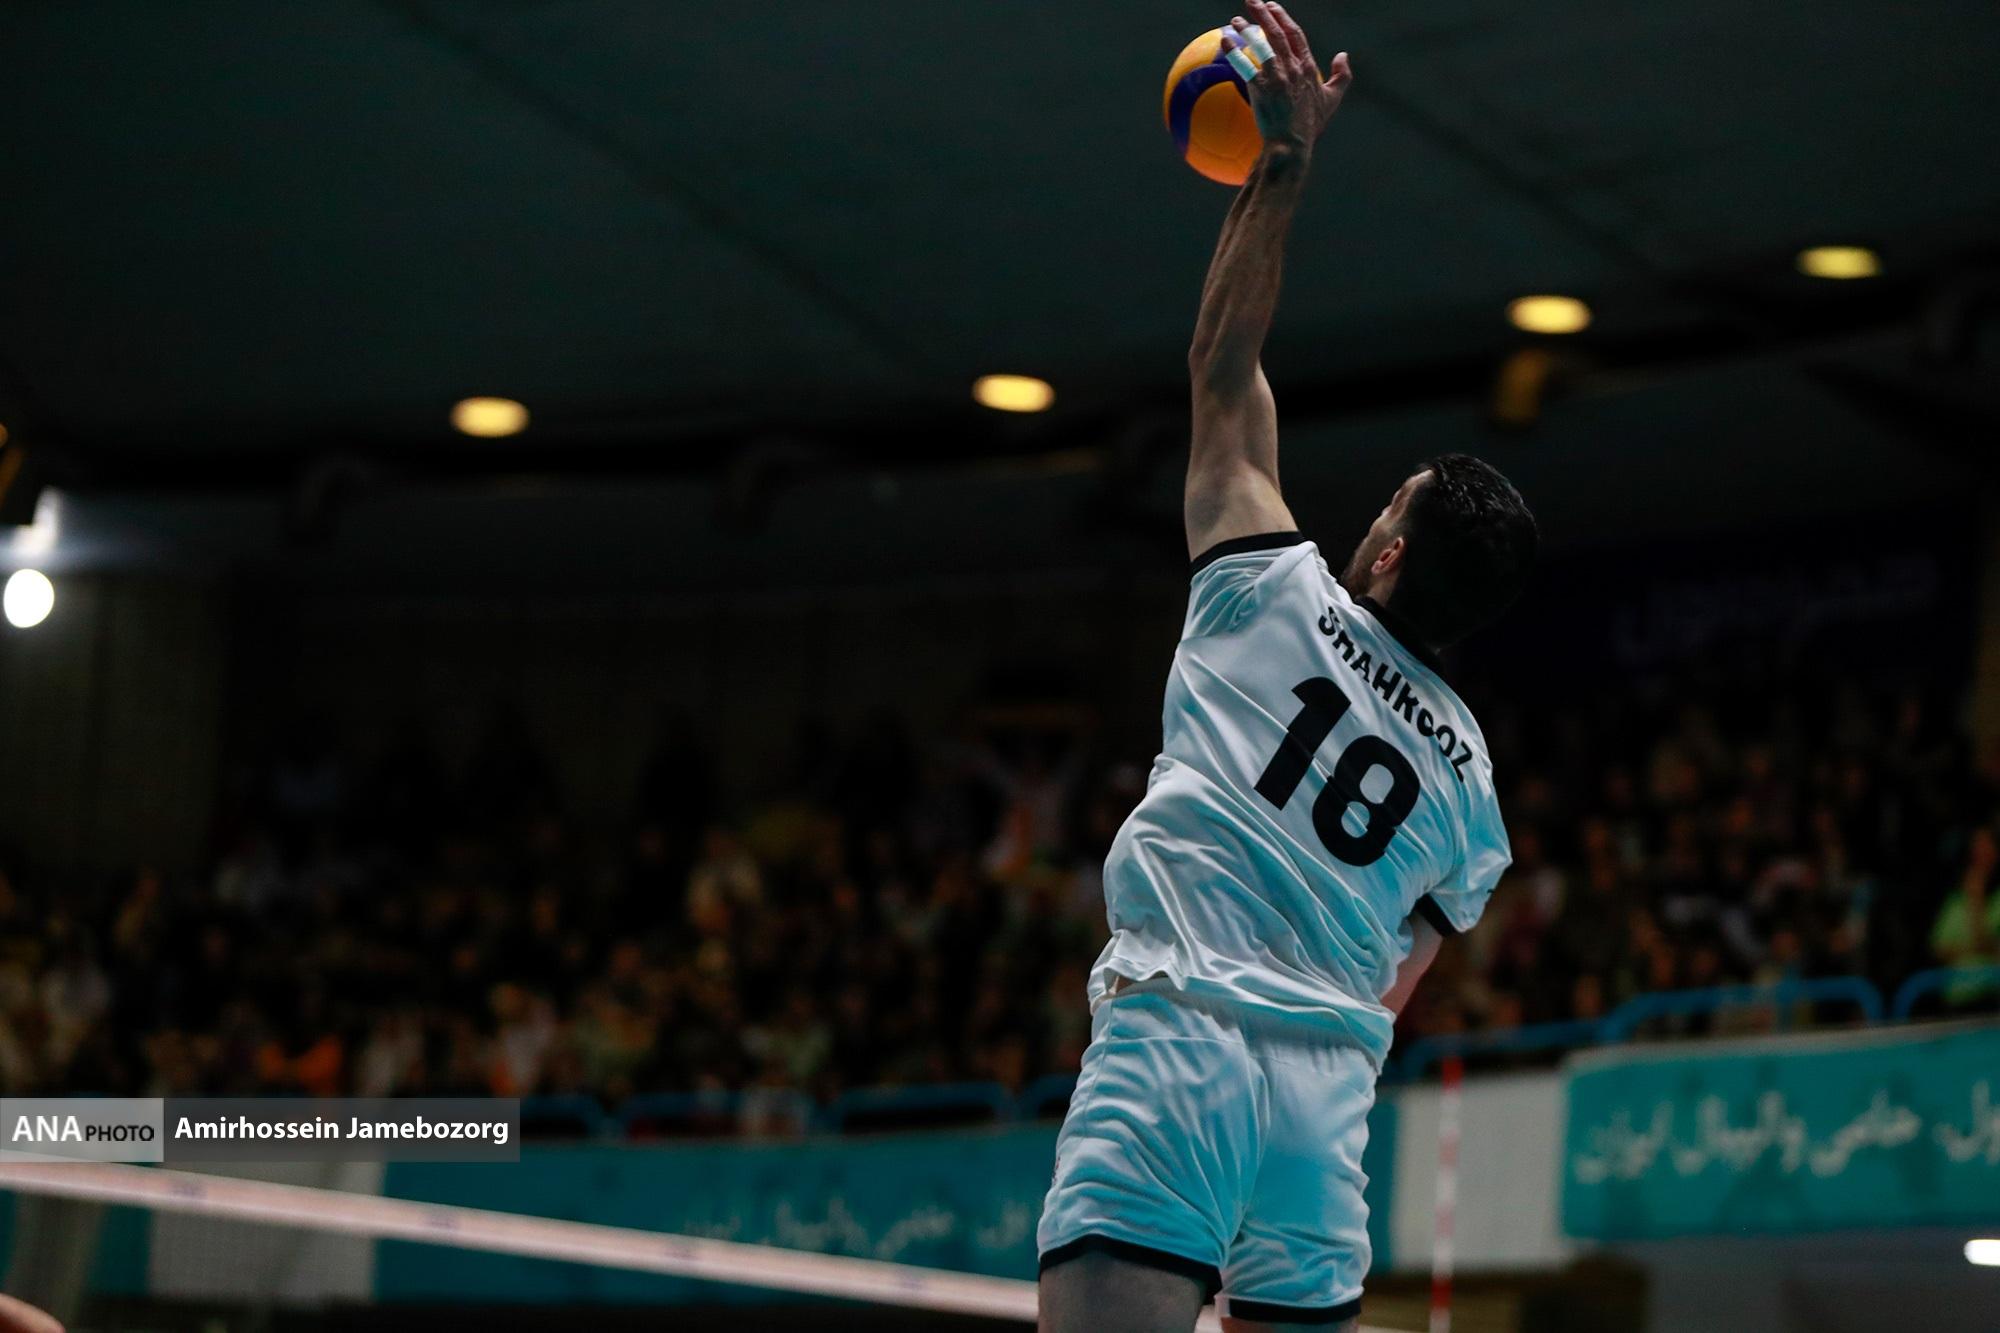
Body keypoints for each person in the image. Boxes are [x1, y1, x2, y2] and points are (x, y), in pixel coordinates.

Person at [1035, 7, 1537, 1330]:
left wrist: (1283, 166)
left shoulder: (1269, 584)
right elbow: (1397, 983)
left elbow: (1222, 368)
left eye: (1389, 506)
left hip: (1181, 1039)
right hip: (1322, 1105)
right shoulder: (1470, 783)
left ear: (1389, 555)